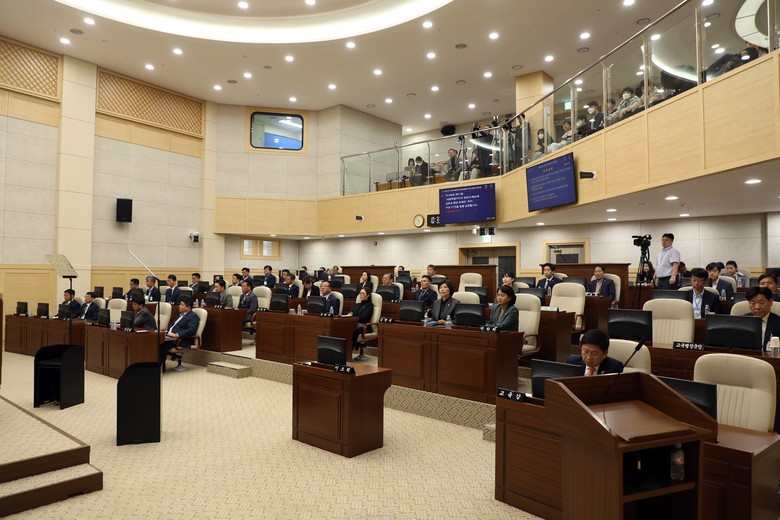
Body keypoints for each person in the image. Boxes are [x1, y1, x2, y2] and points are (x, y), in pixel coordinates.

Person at [158, 297, 200, 372]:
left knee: (162, 345)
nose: (179, 306)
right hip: (170, 337)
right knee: (155, 342)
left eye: (182, 305)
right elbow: (173, 327)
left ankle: (160, 367)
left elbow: (191, 330)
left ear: (188, 308)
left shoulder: (193, 316)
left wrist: (177, 335)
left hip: (181, 339)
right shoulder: (180, 315)